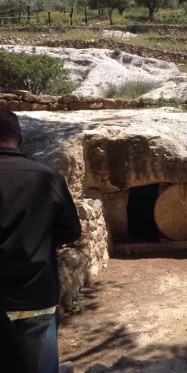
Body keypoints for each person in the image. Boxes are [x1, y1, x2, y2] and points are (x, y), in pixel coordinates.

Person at [0, 110, 82, 373]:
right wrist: (40, 237)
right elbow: (70, 231)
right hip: (36, 294)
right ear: (20, 139)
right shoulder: (47, 177)